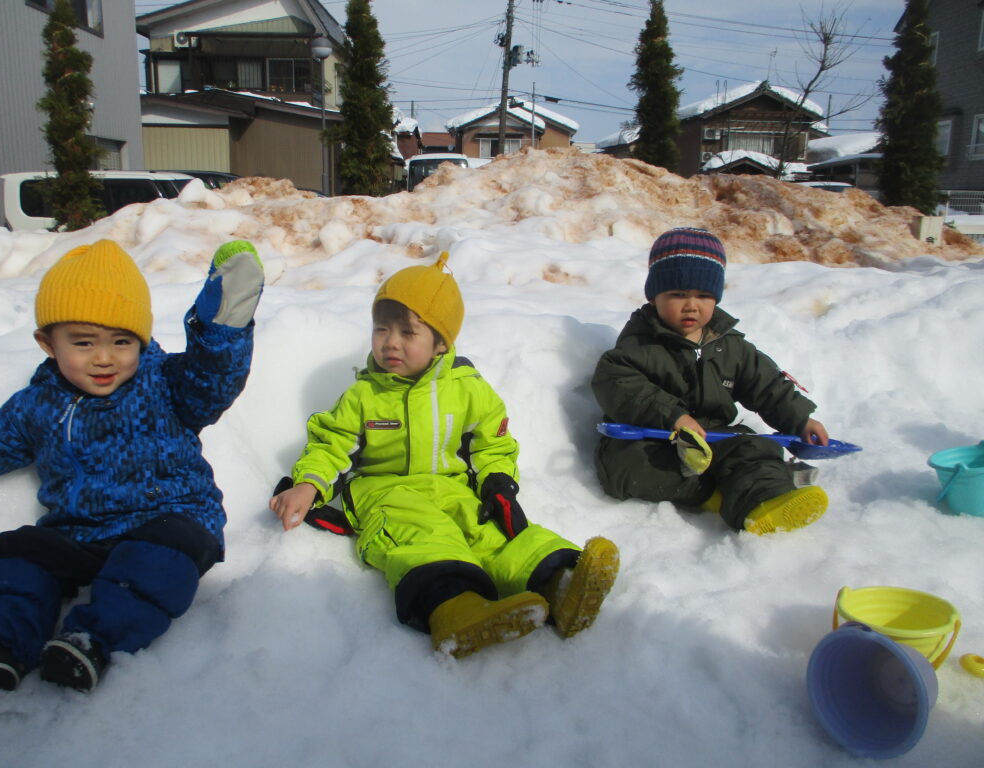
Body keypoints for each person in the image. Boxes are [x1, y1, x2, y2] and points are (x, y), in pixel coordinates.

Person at [270, 254, 619, 658]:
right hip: (385, 494)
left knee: (489, 531)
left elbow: (493, 443)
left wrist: (497, 481)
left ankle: (559, 583)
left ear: (441, 342)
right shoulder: (364, 395)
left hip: (452, 489)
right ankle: (455, 610)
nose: (390, 342)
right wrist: (308, 485)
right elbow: (331, 445)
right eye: (381, 328)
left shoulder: (467, 389)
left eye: (408, 331)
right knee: (422, 537)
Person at [0, 238, 264, 693]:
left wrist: (222, 327)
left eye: (121, 342)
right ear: (47, 343)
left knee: (158, 564)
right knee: (14, 550)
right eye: (83, 343)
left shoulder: (165, 384)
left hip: (168, 523)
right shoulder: (37, 404)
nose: (104, 358)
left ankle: (92, 641)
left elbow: (213, 380)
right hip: (78, 533)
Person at [591, 227, 830, 535]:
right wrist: (674, 416)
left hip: (715, 439)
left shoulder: (729, 346)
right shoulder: (639, 344)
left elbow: (767, 385)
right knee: (624, 467)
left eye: (703, 296)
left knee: (755, 448)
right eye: (678, 294)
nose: (692, 305)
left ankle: (768, 499)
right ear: (654, 296)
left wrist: (800, 420)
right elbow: (618, 383)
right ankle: (720, 495)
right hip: (655, 440)